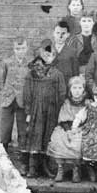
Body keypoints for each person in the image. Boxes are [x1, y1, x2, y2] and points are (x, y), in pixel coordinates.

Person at [23, 43, 66, 178]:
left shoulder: (57, 74)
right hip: (36, 110)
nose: (48, 57)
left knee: (47, 137)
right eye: (46, 55)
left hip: (51, 110)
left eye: (51, 55)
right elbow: (27, 93)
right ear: (42, 55)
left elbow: (62, 93)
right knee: (35, 136)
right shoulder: (32, 73)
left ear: (54, 57)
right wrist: (29, 112)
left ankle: (46, 167)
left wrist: (57, 110)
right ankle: (32, 168)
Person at [47, 76, 87, 183]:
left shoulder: (87, 104)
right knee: (59, 139)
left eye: (79, 88)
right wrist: (68, 131)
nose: (77, 91)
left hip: (81, 128)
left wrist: (79, 129)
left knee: (78, 142)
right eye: (74, 88)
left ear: (83, 89)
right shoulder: (67, 103)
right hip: (66, 128)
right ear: (70, 90)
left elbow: (89, 120)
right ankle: (60, 169)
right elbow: (63, 120)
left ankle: (76, 169)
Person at [0, 37, 29, 174]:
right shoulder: (7, 62)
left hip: (22, 101)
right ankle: (3, 161)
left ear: (26, 48)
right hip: (8, 100)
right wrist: (7, 92)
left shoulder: (30, 64)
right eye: (17, 49)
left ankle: (23, 163)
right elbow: (3, 79)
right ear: (13, 49)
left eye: (22, 48)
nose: (20, 51)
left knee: (23, 131)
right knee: (5, 129)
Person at [68, 11, 97, 75]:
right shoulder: (74, 39)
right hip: (78, 71)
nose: (86, 24)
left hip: (95, 71)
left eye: (89, 21)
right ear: (80, 22)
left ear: (93, 23)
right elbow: (69, 59)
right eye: (84, 21)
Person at [51, 20, 79, 84]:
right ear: (53, 33)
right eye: (57, 33)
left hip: (66, 87)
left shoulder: (72, 52)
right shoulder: (47, 51)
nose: (60, 36)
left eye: (63, 33)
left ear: (68, 35)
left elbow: (75, 74)